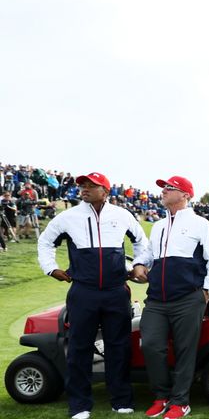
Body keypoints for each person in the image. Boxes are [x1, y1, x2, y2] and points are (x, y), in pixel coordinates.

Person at [38, 172, 149, 419]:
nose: (84, 189)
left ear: (105, 191)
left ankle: (121, 400)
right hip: (82, 291)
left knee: (118, 346)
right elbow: (45, 243)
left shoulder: (122, 215)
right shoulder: (68, 217)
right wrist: (51, 268)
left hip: (116, 291)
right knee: (79, 348)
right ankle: (79, 405)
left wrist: (139, 264)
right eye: (83, 186)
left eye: (91, 185)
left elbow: (142, 243)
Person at [131, 176, 209, 419]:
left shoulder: (201, 225)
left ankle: (180, 401)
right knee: (151, 345)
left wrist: (206, 291)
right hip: (157, 299)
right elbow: (149, 255)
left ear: (185, 194)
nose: (162, 192)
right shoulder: (160, 226)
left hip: (188, 298)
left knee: (185, 350)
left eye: (169, 188)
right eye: (162, 188)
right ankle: (161, 396)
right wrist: (140, 264)